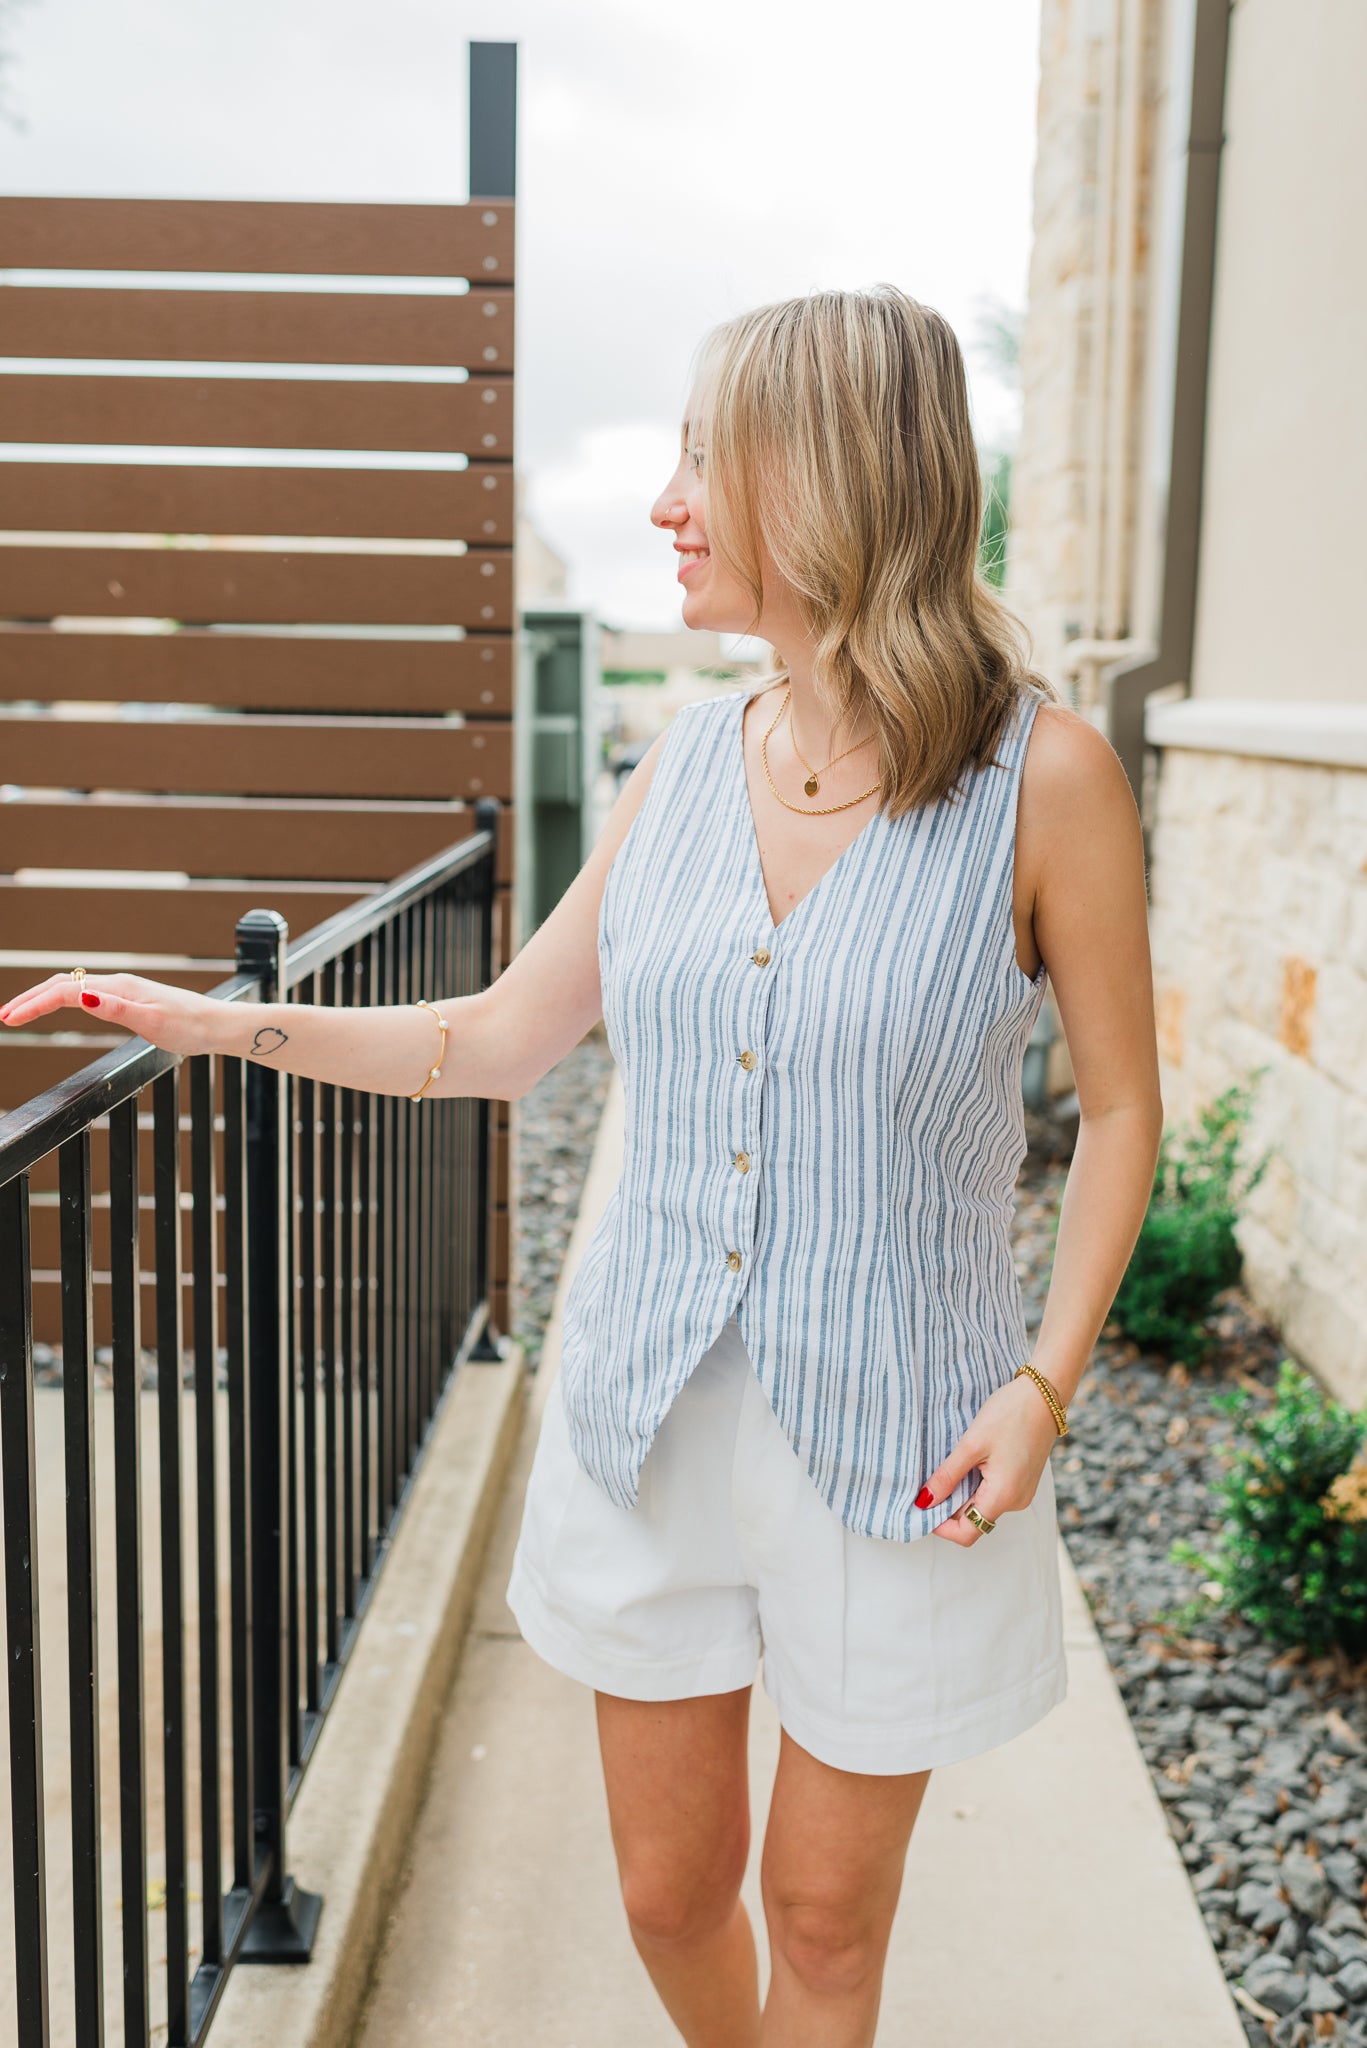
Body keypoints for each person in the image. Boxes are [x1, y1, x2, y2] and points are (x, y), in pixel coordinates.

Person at [2, 285, 1162, 2048]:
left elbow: (1124, 1114)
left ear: (827, 477)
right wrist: (216, 1025)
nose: (668, 502)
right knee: (666, 1894)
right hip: (649, 1415)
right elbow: (502, 1039)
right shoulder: (687, 759)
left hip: (912, 1441)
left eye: (706, 458)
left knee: (826, 1927)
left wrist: (1045, 1383)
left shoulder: (1045, 780)